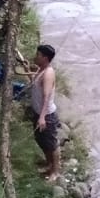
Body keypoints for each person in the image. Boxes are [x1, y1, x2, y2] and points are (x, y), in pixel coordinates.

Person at [28, 43, 62, 181]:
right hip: (38, 112)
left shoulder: (48, 73)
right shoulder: (40, 69)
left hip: (46, 115)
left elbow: (46, 97)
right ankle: (49, 164)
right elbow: (36, 85)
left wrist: (42, 117)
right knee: (41, 140)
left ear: (45, 58)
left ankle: (55, 171)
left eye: (38, 55)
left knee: (51, 143)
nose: (36, 57)